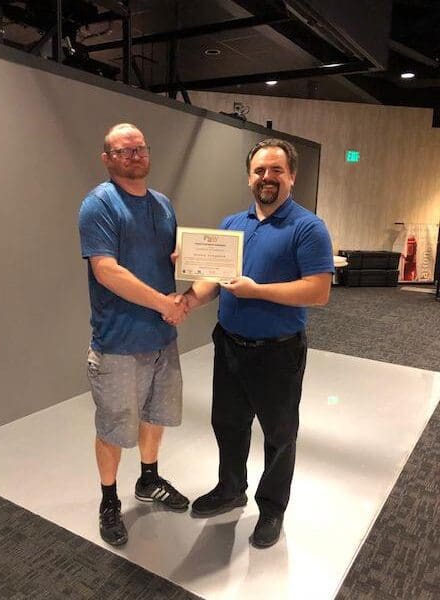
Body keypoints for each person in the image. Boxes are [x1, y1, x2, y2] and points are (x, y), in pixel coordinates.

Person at [184, 138, 334, 548]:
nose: (267, 178)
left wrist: (257, 291)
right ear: (249, 177)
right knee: (228, 424)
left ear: (292, 177)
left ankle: (271, 509)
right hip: (230, 345)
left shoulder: (308, 227)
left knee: (279, 434)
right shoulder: (232, 225)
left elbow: (318, 291)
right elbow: (212, 281)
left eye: (276, 171)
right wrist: (186, 302)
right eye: (260, 171)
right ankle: (231, 489)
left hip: (278, 352)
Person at [78, 123, 189, 547]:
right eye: (123, 151)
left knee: (154, 415)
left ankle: (148, 479)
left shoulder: (162, 204)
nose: (134, 155)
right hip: (119, 342)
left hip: (161, 337)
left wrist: (187, 260)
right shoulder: (99, 204)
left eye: (140, 148)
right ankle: (109, 500)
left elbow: (167, 259)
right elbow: (106, 271)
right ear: (107, 158)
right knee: (113, 427)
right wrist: (164, 304)